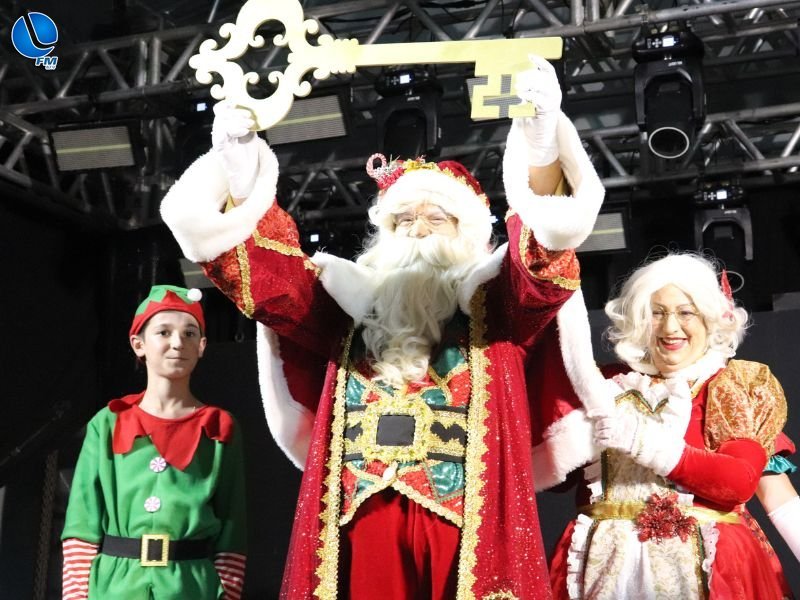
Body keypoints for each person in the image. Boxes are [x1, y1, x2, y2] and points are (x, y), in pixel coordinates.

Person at [160, 55, 605, 599]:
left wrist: (539, 150)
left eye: (435, 218)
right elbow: (265, 278)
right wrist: (240, 166)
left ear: (465, 233)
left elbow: (544, 266)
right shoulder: (345, 308)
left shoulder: (496, 302)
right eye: (402, 219)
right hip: (359, 522)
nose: (417, 230)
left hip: (465, 525)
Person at [534, 253, 794, 599]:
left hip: (706, 573)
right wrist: (571, 440)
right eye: (657, 313)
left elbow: (752, 487)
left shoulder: (731, 387)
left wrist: (643, 441)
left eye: (686, 312)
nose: (670, 328)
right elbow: (552, 480)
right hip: (602, 572)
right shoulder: (603, 385)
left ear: (710, 319)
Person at [61, 285, 247, 600]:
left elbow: (233, 525)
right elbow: (82, 521)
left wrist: (225, 593)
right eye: (163, 332)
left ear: (202, 346)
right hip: (115, 587)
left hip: (191, 587)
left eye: (190, 334)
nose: (178, 343)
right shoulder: (108, 423)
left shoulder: (219, 427)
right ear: (139, 344)